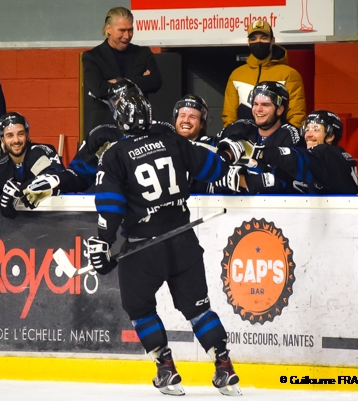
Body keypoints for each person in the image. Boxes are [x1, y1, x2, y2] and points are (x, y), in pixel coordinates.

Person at [86, 94, 243, 397]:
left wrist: (104, 244)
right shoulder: (172, 139)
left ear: (119, 121)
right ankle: (224, 366)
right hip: (184, 240)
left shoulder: (115, 154)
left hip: (144, 248)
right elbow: (213, 169)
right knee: (198, 309)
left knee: (139, 307)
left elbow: (111, 207)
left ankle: (166, 368)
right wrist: (226, 154)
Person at [21, 79, 175, 207]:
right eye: (121, 103)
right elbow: (79, 175)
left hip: (163, 211)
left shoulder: (164, 131)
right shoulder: (101, 136)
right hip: (118, 215)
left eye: (131, 100)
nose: (127, 108)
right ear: (112, 107)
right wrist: (55, 181)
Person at [82, 6, 162, 134]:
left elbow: (155, 81)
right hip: (104, 125)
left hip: (140, 126)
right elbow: (98, 88)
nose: (127, 36)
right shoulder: (92, 57)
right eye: (122, 30)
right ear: (108, 29)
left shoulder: (143, 53)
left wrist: (117, 82)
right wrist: (138, 81)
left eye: (130, 30)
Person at [214, 81, 301, 194]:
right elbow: (210, 154)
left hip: (273, 208)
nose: (258, 109)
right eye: (255, 104)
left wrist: (239, 180)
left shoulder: (291, 136)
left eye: (265, 105)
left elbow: (284, 182)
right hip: (228, 206)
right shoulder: (240, 127)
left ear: (280, 110)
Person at [222, 20, 306, 128]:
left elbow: (297, 115)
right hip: (243, 140)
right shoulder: (236, 75)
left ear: (272, 40)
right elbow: (229, 116)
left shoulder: (289, 74)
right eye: (253, 39)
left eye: (264, 37)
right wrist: (231, 135)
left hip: (277, 140)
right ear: (248, 42)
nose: (258, 41)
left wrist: (286, 139)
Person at [253, 110, 358, 194]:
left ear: (330, 136)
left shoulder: (327, 152)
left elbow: (296, 159)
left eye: (316, 129)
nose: (308, 135)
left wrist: (261, 152)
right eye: (307, 129)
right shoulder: (330, 158)